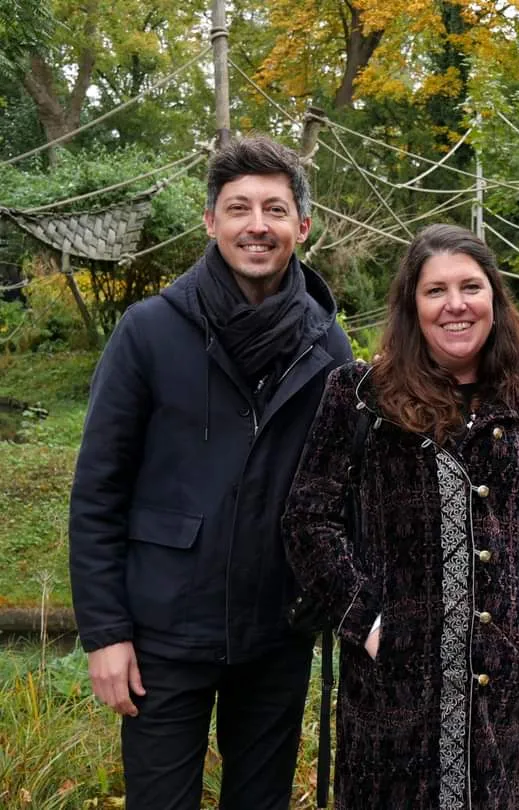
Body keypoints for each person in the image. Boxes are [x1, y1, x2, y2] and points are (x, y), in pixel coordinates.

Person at [68, 135, 353, 810]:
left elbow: (341, 490)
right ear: (211, 222)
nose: (257, 225)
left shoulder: (326, 346)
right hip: (165, 630)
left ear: (301, 227)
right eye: (239, 208)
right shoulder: (149, 332)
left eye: (275, 210)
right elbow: (97, 492)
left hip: (276, 633)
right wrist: (105, 634)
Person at [281, 223, 519, 809]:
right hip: (393, 700)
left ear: (494, 300)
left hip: (508, 701)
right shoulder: (360, 395)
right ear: (412, 305)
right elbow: (309, 519)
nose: (456, 305)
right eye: (435, 291)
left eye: (471, 287)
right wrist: (368, 623)